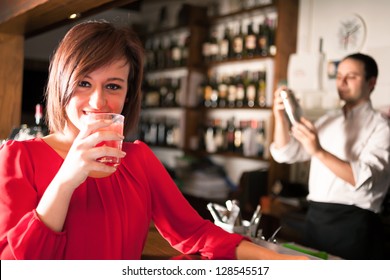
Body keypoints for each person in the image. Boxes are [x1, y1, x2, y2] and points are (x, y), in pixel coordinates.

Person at [0, 20, 307, 260]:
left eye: (113, 86)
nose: (99, 101)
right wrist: (66, 180)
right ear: (60, 83)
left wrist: (281, 261)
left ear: (128, 94)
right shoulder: (18, 158)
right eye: (84, 82)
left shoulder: (138, 159)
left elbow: (195, 232)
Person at [270, 53, 390, 259]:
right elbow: (286, 153)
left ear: (372, 82)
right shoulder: (327, 120)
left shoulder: (382, 126)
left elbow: (365, 177)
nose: (342, 82)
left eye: (351, 76)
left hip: (354, 224)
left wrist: (318, 151)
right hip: (315, 218)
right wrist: (280, 118)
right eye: (339, 75)